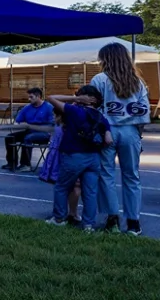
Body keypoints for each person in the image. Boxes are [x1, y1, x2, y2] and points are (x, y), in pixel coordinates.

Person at [90, 42, 150, 235]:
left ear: (105, 59)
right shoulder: (137, 82)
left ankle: (112, 218)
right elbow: (144, 111)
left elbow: (93, 110)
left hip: (107, 130)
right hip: (130, 130)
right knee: (132, 176)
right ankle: (133, 222)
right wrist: (137, 134)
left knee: (106, 174)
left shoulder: (99, 80)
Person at [44, 85, 113, 230]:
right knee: (90, 192)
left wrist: (75, 98)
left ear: (83, 97)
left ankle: (59, 218)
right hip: (93, 158)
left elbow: (50, 98)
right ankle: (88, 224)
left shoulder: (74, 111)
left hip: (73, 155)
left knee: (62, 187)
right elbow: (108, 140)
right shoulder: (102, 118)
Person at [5, 87, 56, 171]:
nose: (29, 99)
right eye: (29, 97)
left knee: (28, 138)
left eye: (31, 97)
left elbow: (52, 126)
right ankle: (11, 163)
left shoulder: (48, 107)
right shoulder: (27, 107)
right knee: (9, 137)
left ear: (38, 96)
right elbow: (19, 121)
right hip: (30, 131)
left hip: (44, 133)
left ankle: (25, 164)